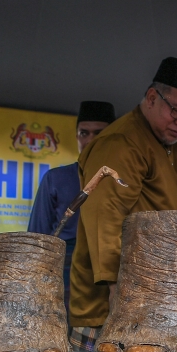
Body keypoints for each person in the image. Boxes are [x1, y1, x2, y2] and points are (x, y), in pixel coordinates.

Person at [68, 57, 177, 351]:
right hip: (111, 313)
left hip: (162, 311)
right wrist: (122, 298)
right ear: (152, 97)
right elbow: (104, 219)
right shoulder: (121, 142)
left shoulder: (176, 154)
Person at [27, 100, 116, 315]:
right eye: (83, 133)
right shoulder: (56, 178)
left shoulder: (124, 182)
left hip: (111, 270)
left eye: (98, 133)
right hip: (64, 267)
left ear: (111, 137)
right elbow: (37, 237)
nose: (90, 140)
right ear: (76, 136)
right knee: (62, 336)